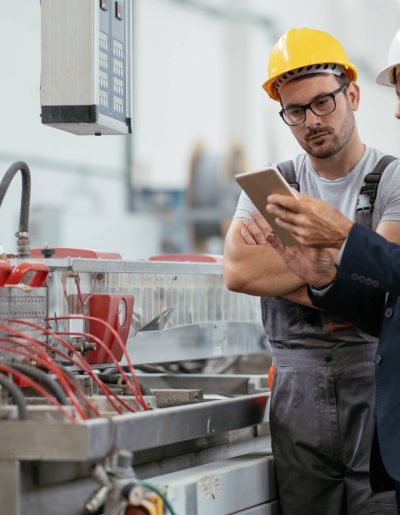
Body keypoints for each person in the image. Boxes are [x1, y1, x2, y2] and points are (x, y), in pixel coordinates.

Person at [223, 27, 400, 515]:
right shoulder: (270, 183)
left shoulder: (394, 178)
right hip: (296, 391)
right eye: (295, 111)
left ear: (354, 94)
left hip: (376, 383)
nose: (311, 121)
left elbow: (388, 279)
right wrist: (335, 268)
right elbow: (238, 270)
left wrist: (301, 260)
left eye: (323, 102)